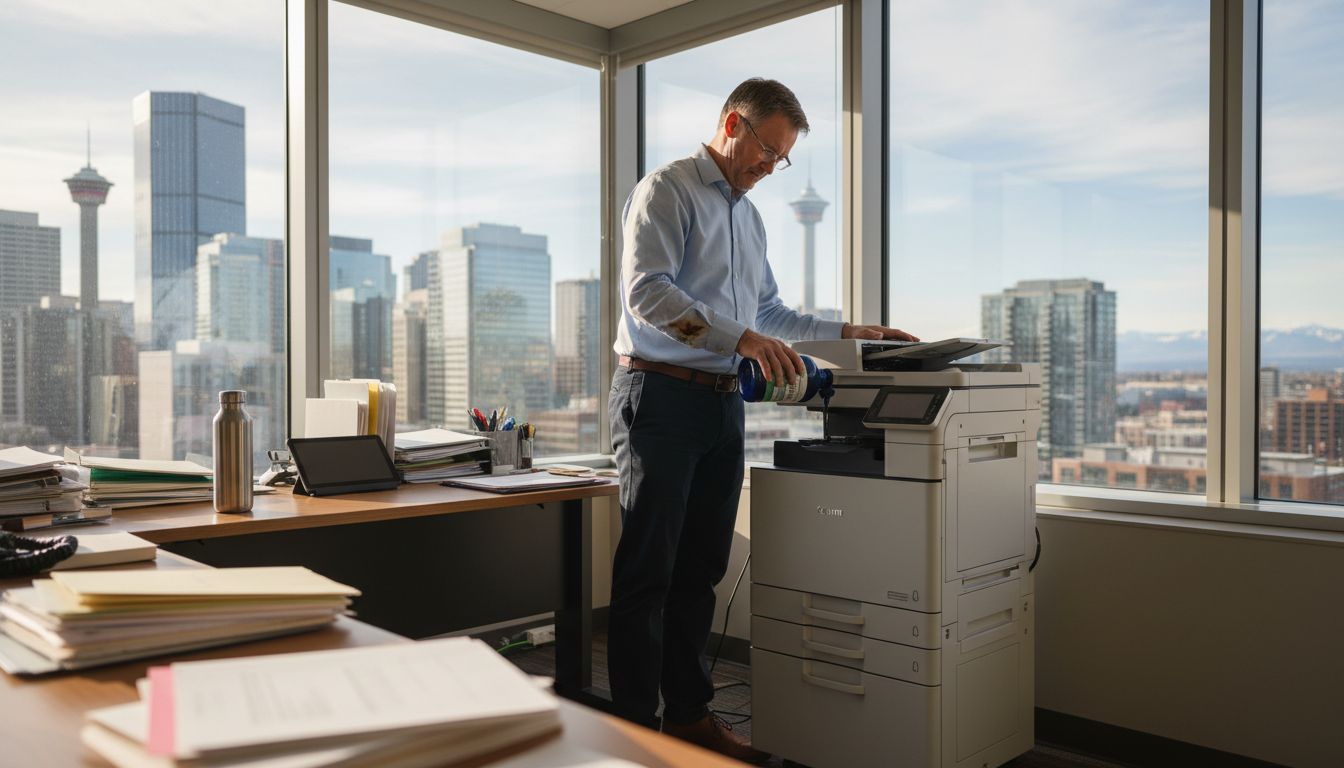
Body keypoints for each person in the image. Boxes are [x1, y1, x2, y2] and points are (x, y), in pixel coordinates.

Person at [607, 77, 917, 762]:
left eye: (781, 160)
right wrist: (739, 339)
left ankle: (687, 719)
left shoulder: (748, 218)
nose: (768, 169)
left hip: (722, 405)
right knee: (647, 575)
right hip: (656, 399)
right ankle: (629, 737)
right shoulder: (668, 190)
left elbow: (771, 315)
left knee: (701, 572)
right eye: (766, 151)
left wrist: (849, 330)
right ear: (732, 124)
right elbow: (648, 293)